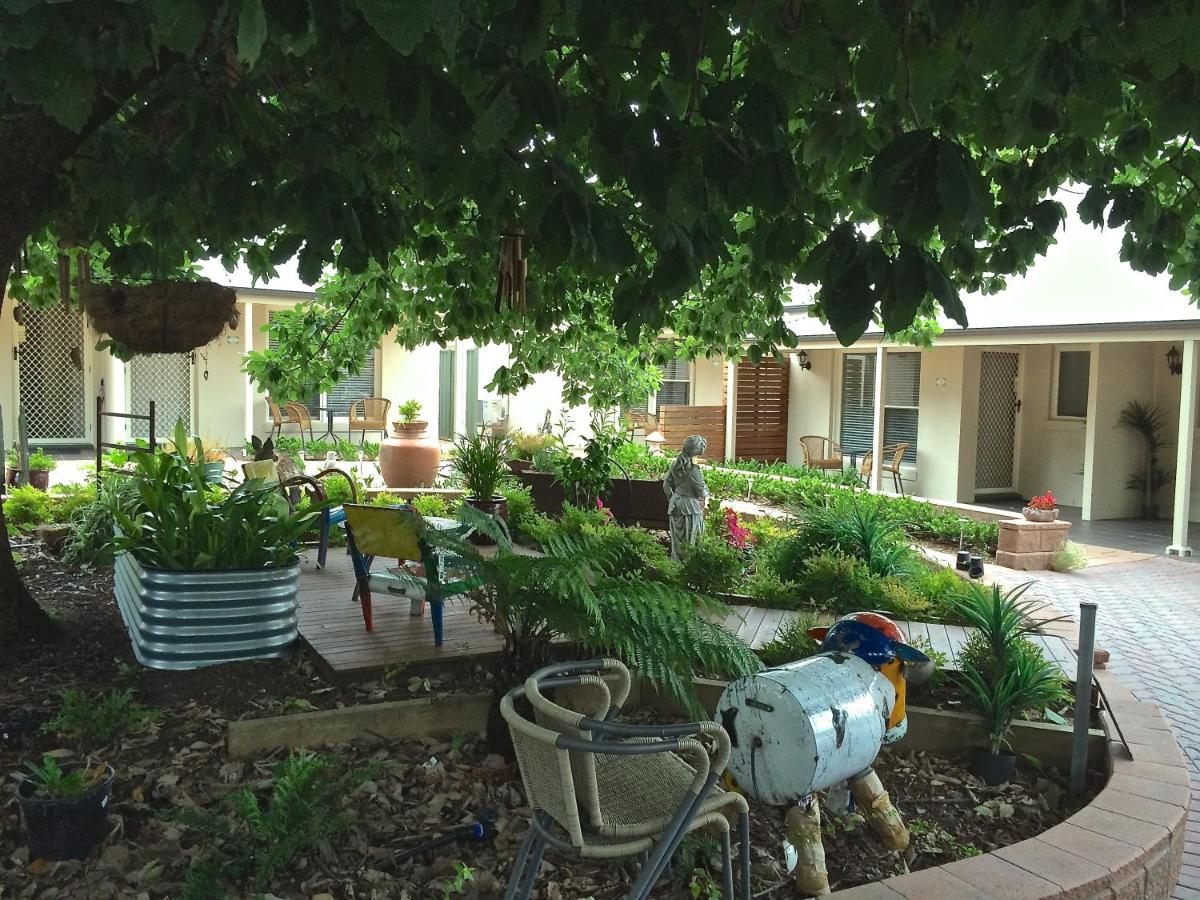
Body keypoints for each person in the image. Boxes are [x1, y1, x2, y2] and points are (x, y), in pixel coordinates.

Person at [663, 434, 709, 561]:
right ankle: (687, 568)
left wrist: (672, 498)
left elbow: (666, 484)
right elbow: (701, 492)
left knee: (677, 543)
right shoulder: (694, 470)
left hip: (675, 504)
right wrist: (706, 490)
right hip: (689, 507)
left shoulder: (675, 465)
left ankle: (675, 565)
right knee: (691, 541)